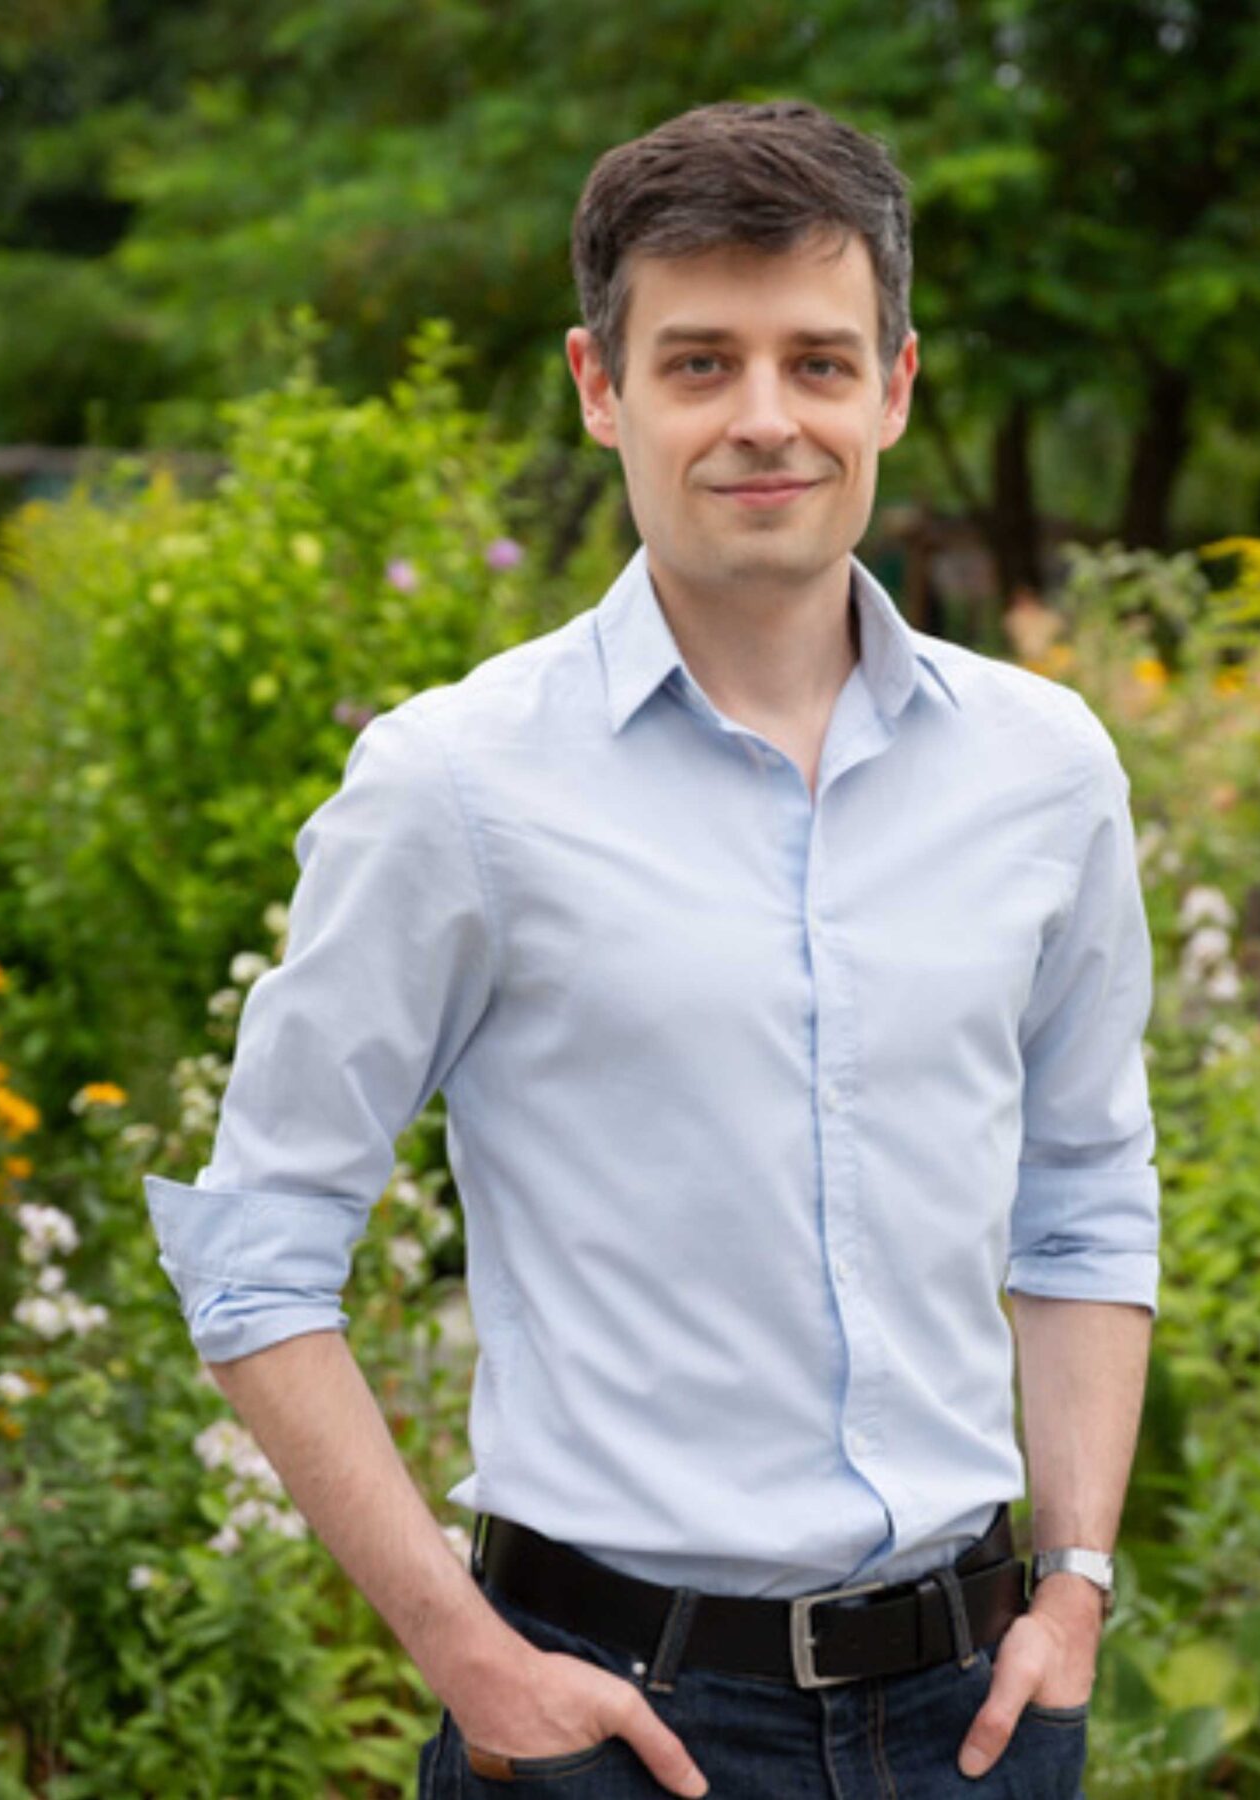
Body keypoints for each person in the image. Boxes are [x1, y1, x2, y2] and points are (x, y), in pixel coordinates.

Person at [145, 99, 1160, 1799]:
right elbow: (254, 1259)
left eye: (819, 363)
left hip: (982, 1722)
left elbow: (1085, 1196)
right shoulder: (456, 786)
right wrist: (467, 1661)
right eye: (699, 363)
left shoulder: (1044, 771)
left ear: (896, 387)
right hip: (608, 1729)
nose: (767, 419)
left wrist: (1074, 1589)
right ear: (600, 387)